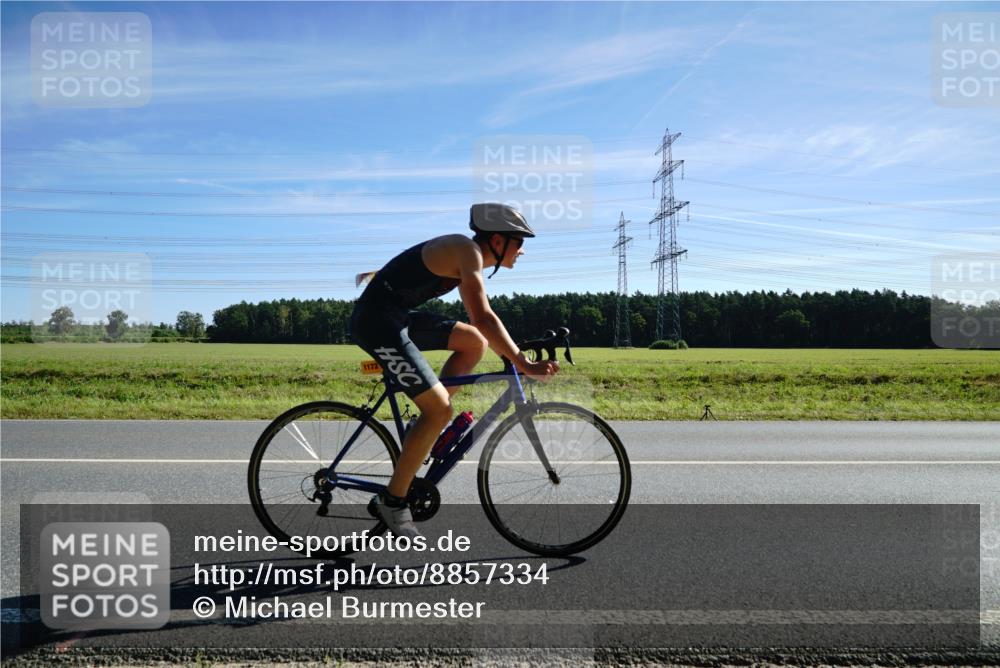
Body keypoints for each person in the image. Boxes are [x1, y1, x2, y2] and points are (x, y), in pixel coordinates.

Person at [349, 203, 559, 538]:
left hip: (394, 315)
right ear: (498, 240)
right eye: (519, 242)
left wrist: (515, 354)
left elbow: (480, 325)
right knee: (441, 410)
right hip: (377, 323)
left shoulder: (466, 254)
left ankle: (426, 424)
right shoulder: (467, 251)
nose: (522, 250)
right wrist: (525, 363)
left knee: (474, 342)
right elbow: (483, 316)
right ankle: (393, 500)